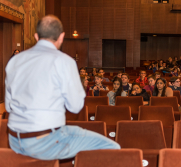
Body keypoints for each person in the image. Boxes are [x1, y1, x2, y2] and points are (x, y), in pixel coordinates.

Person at [5, 15, 120, 161]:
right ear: (61, 37)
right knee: (113, 148)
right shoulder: (64, 61)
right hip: (46, 141)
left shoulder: (15, 61)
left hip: (15, 139)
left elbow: (8, 107)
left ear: (36, 36)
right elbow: (75, 107)